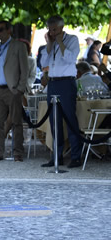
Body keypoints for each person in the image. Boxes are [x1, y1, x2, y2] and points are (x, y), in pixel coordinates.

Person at [40, 15, 82, 168]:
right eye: (50, 30)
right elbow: (44, 63)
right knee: (54, 120)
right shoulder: (50, 42)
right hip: (53, 83)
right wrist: (50, 45)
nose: (52, 32)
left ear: (61, 28)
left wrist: (60, 43)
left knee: (70, 118)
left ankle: (76, 156)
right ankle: (57, 156)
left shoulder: (72, 40)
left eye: (54, 29)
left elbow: (71, 59)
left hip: (66, 82)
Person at [0, 20, 28, 163]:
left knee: (16, 122)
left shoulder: (18, 46)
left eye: (1, 29)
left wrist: (20, 89)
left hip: (12, 89)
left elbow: (25, 69)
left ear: (9, 30)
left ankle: (18, 152)